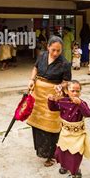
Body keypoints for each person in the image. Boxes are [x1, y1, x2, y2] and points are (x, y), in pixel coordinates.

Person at [27, 36, 72, 167]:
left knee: (51, 126)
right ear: (48, 47)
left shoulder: (65, 63)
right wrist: (31, 79)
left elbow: (66, 81)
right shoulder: (42, 56)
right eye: (53, 50)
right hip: (38, 95)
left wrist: (61, 86)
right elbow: (35, 68)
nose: (56, 53)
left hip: (52, 97)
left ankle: (51, 154)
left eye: (59, 50)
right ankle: (41, 150)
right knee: (37, 123)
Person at [48, 80, 90, 178]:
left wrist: (81, 104)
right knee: (61, 152)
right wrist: (51, 100)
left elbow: (88, 113)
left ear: (80, 92)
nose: (75, 93)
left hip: (77, 135)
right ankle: (64, 166)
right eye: (72, 91)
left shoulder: (82, 103)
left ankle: (75, 173)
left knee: (74, 155)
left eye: (77, 91)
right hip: (65, 133)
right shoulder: (63, 101)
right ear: (67, 91)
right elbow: (53, 107)